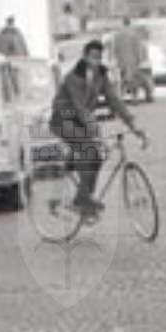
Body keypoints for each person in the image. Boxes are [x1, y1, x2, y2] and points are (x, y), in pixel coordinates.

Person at [50, 38, 143, 219]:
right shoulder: (73, 77)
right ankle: (81, 199)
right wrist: (96, 133)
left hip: (81, 122)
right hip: (63, 120)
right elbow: (80, 109)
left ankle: (85, 196)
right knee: (90, 150)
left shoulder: (101, 75)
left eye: (99, 57)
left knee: (96, 155)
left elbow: (114, 100)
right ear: (84, 57)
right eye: (93, 57)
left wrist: (133, 124)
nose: (96, 61)